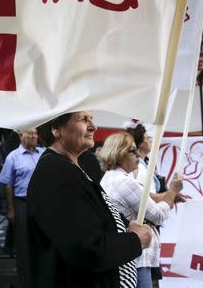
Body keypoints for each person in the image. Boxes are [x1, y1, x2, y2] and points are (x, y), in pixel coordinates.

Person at [26, 111, 153, 288]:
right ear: (56, 129)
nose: (93, 126)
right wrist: (135, 240)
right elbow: (86, 249)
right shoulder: (57, 173)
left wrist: (124, 224)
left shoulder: (69, 167)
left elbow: (91, 217)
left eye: (92, 119)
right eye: (84, 120)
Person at [98, 132, 184, 288]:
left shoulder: (109, 177)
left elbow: (146, 197)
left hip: (127, 255)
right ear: (120, 153)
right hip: (137, 258)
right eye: (133, 150)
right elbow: (158, 216)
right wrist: (172, 191)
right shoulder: (124, 182)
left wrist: (167, 197)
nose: (138, 154)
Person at [0, 128, 43, 286]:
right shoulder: (13, 157)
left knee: (42, 240)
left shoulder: (44, 153)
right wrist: (11, 209)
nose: (32, 136)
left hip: (42, 204)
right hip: (22, 202)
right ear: (20, 135)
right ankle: (25, 279)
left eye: (35, 133)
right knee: (23, 243)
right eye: (29, 133)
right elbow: (8, 184)